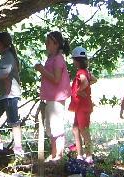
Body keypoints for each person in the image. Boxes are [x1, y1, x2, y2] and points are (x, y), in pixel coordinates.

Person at [34, 31, 72, 162]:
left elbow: (56, 79)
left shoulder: (58, 59)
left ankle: (59, 155)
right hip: (50, 97)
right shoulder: (51, 58)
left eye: (48, 43)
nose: (46, 45)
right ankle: (54, 153)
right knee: (50, 127)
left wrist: (41, 70)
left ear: (56, 44)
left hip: (57, 98)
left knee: (56, 127)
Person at [68, 46, 96, 162]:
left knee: (84, 130)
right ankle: (80, 154)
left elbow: (85, 81)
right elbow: (94, 79)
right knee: (76, 129)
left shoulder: (81, 73)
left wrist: (80, 90)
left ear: (76, 60)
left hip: (82, 106)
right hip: (81, 105)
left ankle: (89, 155)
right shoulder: (86, 72)